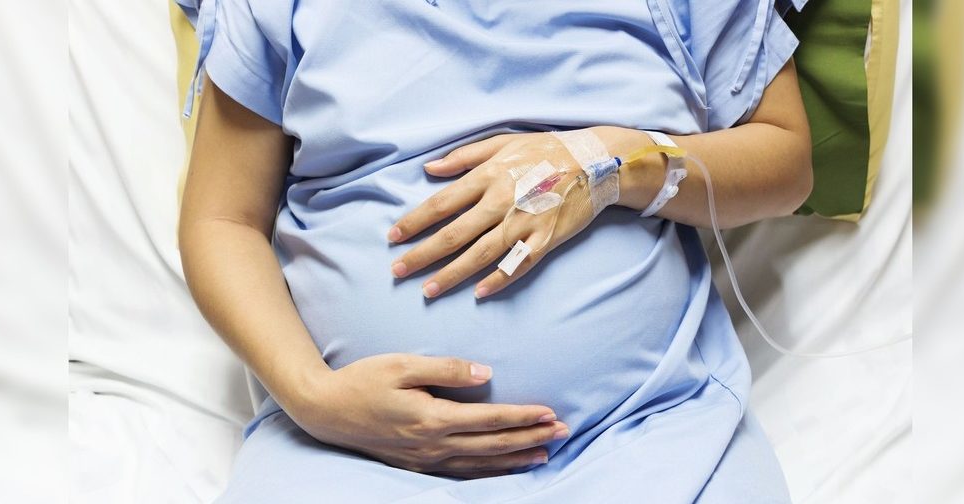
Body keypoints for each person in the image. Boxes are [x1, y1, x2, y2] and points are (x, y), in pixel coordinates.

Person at [177, 0, 812, 501]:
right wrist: (314, 397)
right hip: (346, 454)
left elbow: (784, 160)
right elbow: (222, 219)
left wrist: (608, 162)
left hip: (653, 437)